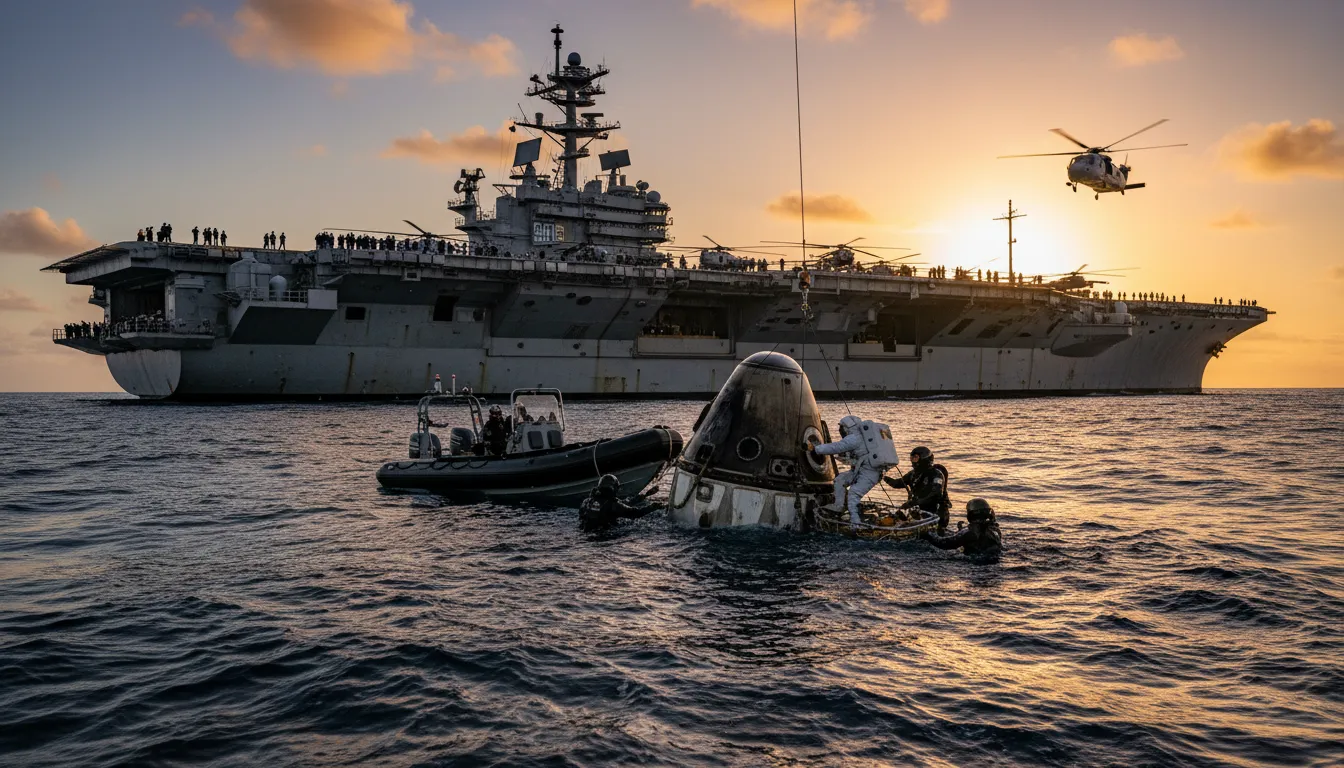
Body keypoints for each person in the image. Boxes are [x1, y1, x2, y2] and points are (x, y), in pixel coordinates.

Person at [812, 414, 884, 527]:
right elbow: (855, 455)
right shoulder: (861, 437)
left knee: (853, 493)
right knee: (840, 480)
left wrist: (816, 449)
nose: (841, 431)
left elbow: (837, 447)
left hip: (869, 474)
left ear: (847, 427)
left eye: (842, 428)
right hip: (861, 471)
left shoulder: (855, 437)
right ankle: (838, 506)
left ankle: (856, 525)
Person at [884, 446, 951, 530]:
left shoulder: (936, 475)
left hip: (936, 512)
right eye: (911, 458)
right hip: (919, 510)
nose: (912, 461)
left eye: (915, 458)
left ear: (923, 458)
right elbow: (897, 483)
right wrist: (883, 477)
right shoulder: (913, 474)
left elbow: (936, 494)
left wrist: (914, 502)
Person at [922, 498, 1001, 558]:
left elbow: (944, 544)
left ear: (970, 514)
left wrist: (928, 534)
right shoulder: (995, 530)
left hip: (976, 563)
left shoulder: (970, 533)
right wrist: (960, 531)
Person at [579, 474, 657, 531]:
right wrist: (653, 507)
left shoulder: (586, 501)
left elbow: (624, 503)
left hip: (585, 533)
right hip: (603, 537)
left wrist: (645, 495)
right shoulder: (613, 505)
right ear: (614, 488)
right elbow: (635, 513)